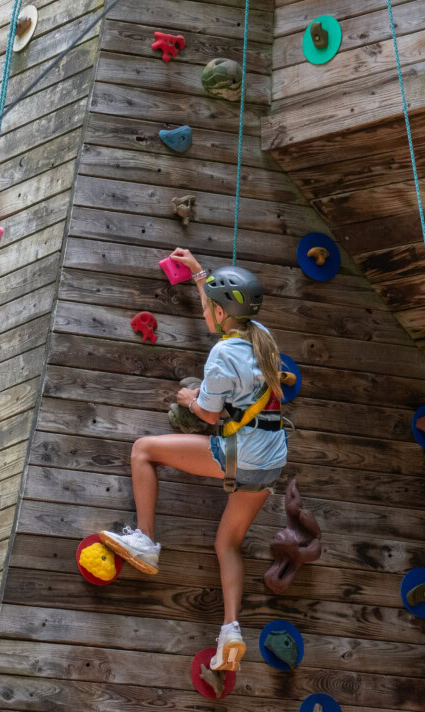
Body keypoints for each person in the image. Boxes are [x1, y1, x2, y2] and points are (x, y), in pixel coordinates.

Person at [101, 249, 288, 673]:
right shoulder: (262, 336)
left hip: (242, 457)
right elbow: (218, 326)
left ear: (222, 313)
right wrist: (199, 274)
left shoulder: (222, 356)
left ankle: (146, 542)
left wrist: (188, 396)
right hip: (272, 459)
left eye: (211, 307)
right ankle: (230, 630)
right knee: (227, 543)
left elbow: (205, 414)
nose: (209, 313)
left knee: (143, 450)